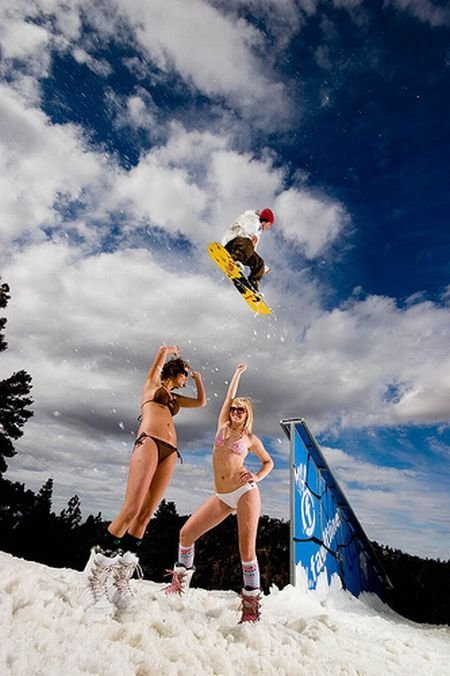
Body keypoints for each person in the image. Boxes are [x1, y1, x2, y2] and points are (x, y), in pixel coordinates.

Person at [80, 344, 206, 614]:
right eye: (184, 374)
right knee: (132, 508)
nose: (185, 379)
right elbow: (156, 368)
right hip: (149, 441)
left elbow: (201, 402)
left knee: (146, 514)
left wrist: (198, 380)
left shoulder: (174, 399)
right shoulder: (152, 386)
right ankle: (93, 576)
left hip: (170, 451)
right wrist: (165, 350)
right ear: (174, 371)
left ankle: (119, 579)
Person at [165, 362, 274, 623]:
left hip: (245, 492)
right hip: (222, 496)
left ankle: (251, 606)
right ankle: (179, 585)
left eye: (241, 410)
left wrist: (257, 476)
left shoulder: (250, 439)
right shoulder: (222, 426)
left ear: (247, 416)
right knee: (186, 533)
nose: (235, 411)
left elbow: (268, 462)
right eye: (234, 408)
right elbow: (227, 397)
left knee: (246, 551)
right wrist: (237, 373)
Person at [221, 208, 275, 291]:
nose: (269, 227)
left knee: (259, 262)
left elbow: (251, 251)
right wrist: (251, 238)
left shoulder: (257, 234)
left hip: (243, 249)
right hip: (231, 245)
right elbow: (245, 233)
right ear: (265, 221)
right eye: (269, 224)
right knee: (247, 243)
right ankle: (235, 260)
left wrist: (264, 268)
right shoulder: (252, 219)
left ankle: (253, 283)